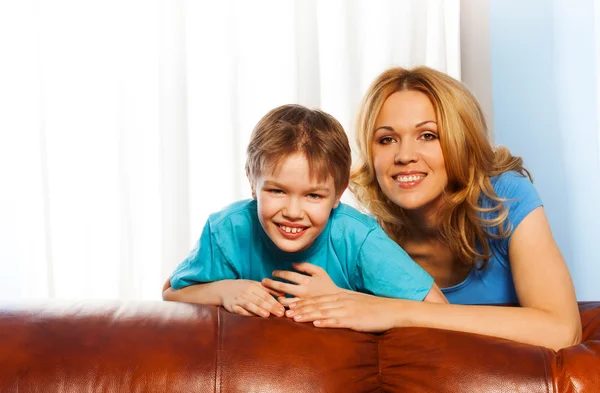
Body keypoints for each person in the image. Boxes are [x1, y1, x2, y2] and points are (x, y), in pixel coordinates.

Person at [279, 67, 582, 351]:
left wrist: (401, 311)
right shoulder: (367, 240)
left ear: (460, 141)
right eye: (387, 139)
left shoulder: (506, 197)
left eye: (428, 135)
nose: (404, 155)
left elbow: (563, 331)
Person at [162, 104, 447, 319]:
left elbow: (439, 310)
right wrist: (224, 291)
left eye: (313, 195)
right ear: (251, 181)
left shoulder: (358, 239)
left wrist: (342, 298)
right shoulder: (227, 229)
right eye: (277, 191)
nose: (293, 212)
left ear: (338, 193)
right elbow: (172, 292)